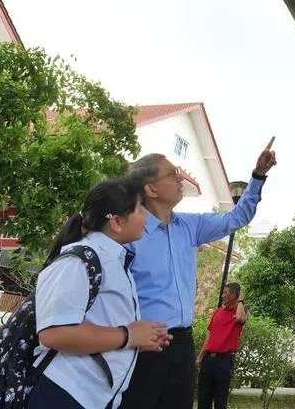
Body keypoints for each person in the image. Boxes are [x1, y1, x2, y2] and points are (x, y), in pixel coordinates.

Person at [120, 138, 277, 409]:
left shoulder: (190, 226)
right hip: (143, 346)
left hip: (182, 344)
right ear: (151, 188)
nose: (180, 177)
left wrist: (258, 175)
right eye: (172, 174)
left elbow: (236, 218)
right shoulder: (129, 233)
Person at [28, 178, 172, 409]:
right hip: (65, 393)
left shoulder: (113, 262)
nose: (146, 218)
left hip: (91, 397)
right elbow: (54, 334)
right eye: (139, 210)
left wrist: (138, 339)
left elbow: (102, 324)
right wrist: (128, 336)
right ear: (116, 221)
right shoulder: (79, 261)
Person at [196, 283, 248, 409]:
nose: (222, 295)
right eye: (223, 292)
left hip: (224, 361)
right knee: (203, 398)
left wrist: (240, 300)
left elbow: (240, 319)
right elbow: (210, 336)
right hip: (208, 360)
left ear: (235, 295)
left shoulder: (242, 311)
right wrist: (200, 356)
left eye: (226, 293)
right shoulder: (218, 312)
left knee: (220, 400)